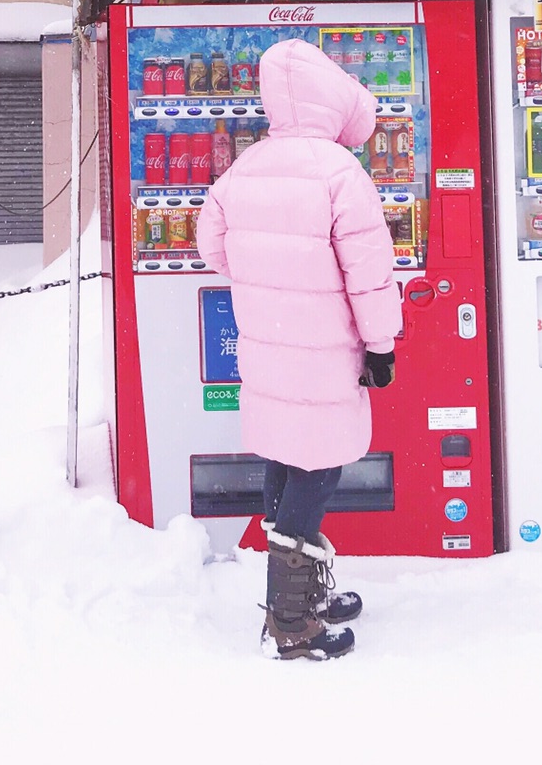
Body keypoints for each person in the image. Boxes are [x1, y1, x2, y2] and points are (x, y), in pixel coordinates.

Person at [195, 38, 399, 661]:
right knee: (319, 467)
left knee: (287, 456)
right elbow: (369, 272)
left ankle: (299, 592)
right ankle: (291, 621)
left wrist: (266, 283)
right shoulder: (340, 173)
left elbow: (213, 248)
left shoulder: (244, 169)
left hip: (269, 345)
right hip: (325, 349)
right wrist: (381, 344)